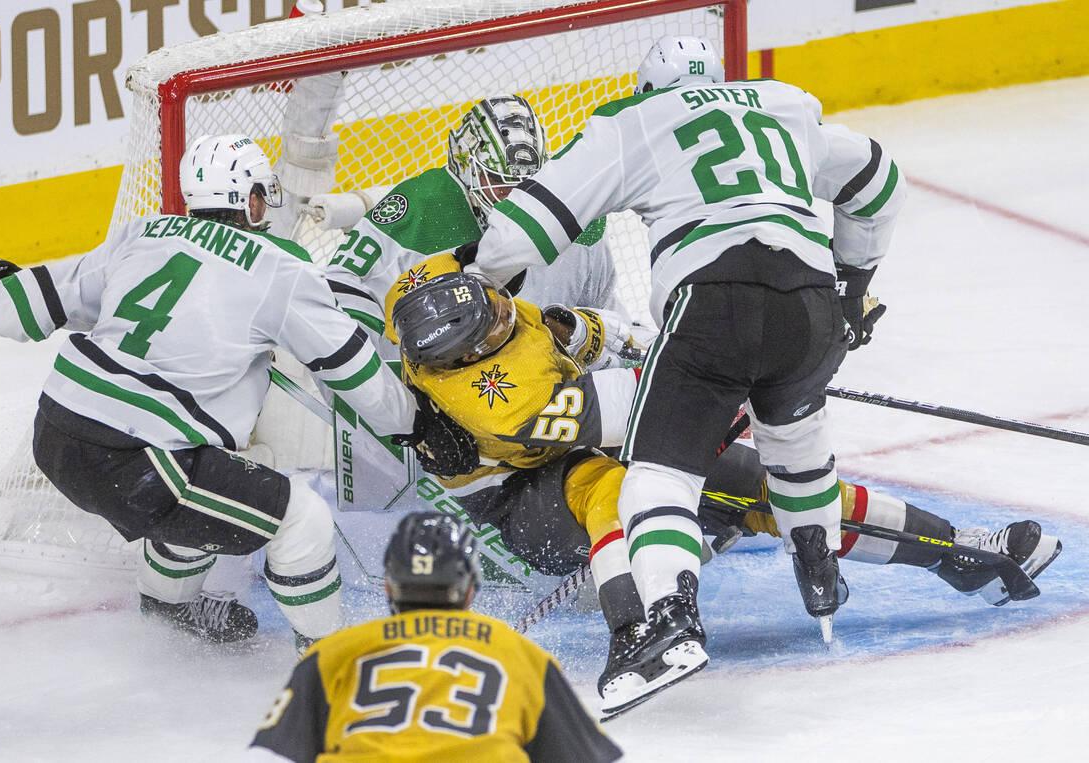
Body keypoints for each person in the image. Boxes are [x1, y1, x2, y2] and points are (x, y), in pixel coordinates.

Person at [462, 32, 1033, 696]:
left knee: (666, 479)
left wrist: (480, 282)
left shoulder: (634, 124)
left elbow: (524, 230)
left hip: (706, 312)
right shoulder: (782, 104)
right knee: (793, 457)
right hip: (808, 300)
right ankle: (818, 556)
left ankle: (671, 619)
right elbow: (879, 180)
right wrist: (849, 291)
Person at [385, 264, 1062, 714]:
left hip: (586, 437)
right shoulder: (498, 404)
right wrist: (732, 375)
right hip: (522, 502)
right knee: (615, 487)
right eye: (494, 329)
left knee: (772, 488)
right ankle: (636, 634)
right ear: (462, 357)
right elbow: (640, 407)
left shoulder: (448, 299)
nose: (508, 318)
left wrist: (586, 329)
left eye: (501, 309)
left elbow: (608, 344)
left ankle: (956, 551)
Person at [0, 134, 473, 647]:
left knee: (207, 486)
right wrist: (416, 424)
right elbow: (349, 364)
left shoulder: (144, 233)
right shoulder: (279, 268)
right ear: (252, 200)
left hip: (56, 433)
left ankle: (168, 607)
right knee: (300, 519)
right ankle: (327, 657)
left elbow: (44, 298)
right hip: (137, 458)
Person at [248, 511, 622, 762]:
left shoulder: (336, 652)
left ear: (389, 588)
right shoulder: (519, 655)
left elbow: (272, 754)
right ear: (470, 589)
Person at [323, 94, 627, 344]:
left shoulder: (577, 218)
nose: (514, 197)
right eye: (498, 182)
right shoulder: (416, 211)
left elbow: (601, 310)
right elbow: (336, 295)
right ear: (466, 167)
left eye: (525, 183)